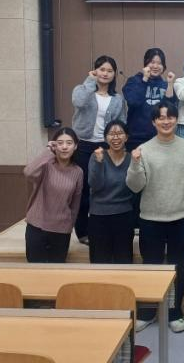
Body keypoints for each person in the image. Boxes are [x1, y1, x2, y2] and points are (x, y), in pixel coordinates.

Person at [126, 101, 184, 333]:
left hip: (182, 218)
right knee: (150, 268)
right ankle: (148, 312)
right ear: (154, 122)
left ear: (176, 120)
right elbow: (135, 186)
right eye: (161, 117)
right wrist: (135, 164)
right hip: (151, 219)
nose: (166, 121)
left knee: (179, 268)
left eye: (170, 117)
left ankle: (174, 312)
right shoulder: (144, 149)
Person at [72, 55, 126, 244]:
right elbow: (78, 102)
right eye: (102, 69)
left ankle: (100, 228)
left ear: (114, 74)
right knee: (83, 189)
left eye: (109, 71)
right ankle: (82, 231)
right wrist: (90, 80)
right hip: (84, 144)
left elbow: (122, 121)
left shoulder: (117, 99)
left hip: (105, 146)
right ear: (95, 71)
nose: (105, 73)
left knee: (103, 187)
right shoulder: (83, 90)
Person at [24, 127, 83, 263]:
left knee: (57, 270)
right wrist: (47, 151)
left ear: (75, 146)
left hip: (61, 229)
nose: (64, 147)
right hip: (37, 226)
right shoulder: (46, 165)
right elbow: (28, 172)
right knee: (35, 269)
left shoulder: (78, 171)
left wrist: (69, 226)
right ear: (54, 145)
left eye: (69, 143)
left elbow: (75, 204)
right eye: (60, 143)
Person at [87, 120, 135, 264]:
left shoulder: (132, 158)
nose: (116, 137)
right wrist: (99, 162)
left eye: (120, 133)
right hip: (99, 216)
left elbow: (135, 187)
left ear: (126, 137)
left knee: (124, 261)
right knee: (99, 262)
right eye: (111, 134)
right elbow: (95, 186)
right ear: (105, 138)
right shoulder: (96, 156)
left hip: (124, 215)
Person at [122, 48, 177, 151]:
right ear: (146, 63)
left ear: (164, 66)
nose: (155, 66)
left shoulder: (165, 85)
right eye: (152, 62)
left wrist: (170, 84)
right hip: (136, 137)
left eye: (159, 63)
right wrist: (144, 79)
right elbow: (134, 101)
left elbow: (170, 110)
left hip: (160, 137)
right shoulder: (134, 81)